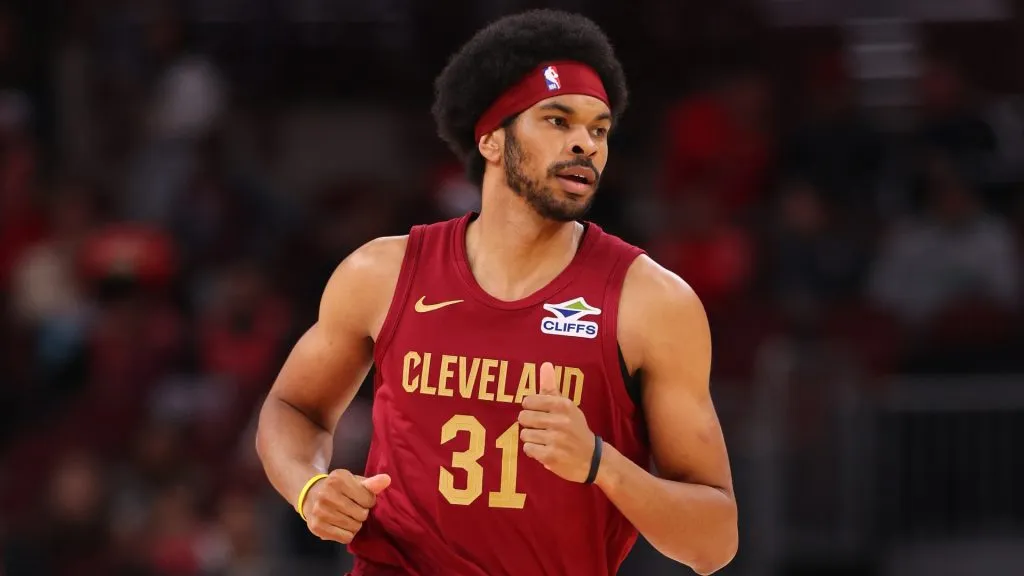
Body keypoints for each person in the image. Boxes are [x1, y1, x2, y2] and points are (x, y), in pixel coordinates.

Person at [256, 10, 738, 576]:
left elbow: (714, 541)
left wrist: (602, 464)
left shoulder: (651, 302)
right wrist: (310, 487)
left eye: (599, 129)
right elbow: (292, 408)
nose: (585, 144)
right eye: (558, 121)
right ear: (490, 140)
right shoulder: (382, 272)